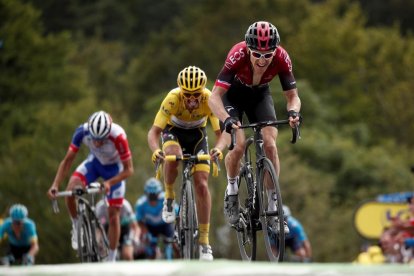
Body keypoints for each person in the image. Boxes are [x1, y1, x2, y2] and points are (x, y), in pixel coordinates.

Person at [208, 21, 301, 233]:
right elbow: (214, 97)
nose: (262, 59)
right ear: (248, 49)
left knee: (270, 144)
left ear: (274, 51)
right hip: (234, 96)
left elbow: (292, 96)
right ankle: (232, 191)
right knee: (238, 145)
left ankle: (272, 207)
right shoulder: (237, 54)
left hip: (260, 95)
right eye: (257, 54)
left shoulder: (282, 58)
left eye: (267, 55)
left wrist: (293, 113)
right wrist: (226, 120)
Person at [147, 66, 223, 261]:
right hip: (174, 132)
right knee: (173, 155)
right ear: (181, 90)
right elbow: (154, 132)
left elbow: (221, 134)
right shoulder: (172, 98)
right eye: (186, 94)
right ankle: (170, 197)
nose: (191, 99)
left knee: (202, 185)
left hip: (198, 136)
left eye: (195, 94)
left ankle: (204, 242)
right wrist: (156, 150)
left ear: (202, 91)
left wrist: (219, 149)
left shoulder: (209, 98)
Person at [47, 110, 134, 262]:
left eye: (101, 140)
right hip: (94, 164)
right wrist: (55, 184)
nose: (97, 143)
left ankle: (111, 260)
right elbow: (67, 160)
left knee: (113, 216)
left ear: (108, 132)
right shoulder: (82, 131)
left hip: (115, 170)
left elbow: (129, 170)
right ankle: (77, 227)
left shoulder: (119, 136)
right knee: (70, 192)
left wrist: (109, 183)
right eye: (94, 139)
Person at [135, 177, 178, 260]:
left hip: (166, 225)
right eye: (150, 196)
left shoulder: (166, 199)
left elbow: (177, 213)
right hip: (151, 227)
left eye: (155, 196)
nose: (153, 200)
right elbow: (139, 221)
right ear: (146, 194)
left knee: (175, 245)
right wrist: (145, 232)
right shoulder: (140, 204)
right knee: (150, 250)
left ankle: (181, 262)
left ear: (159, 193)